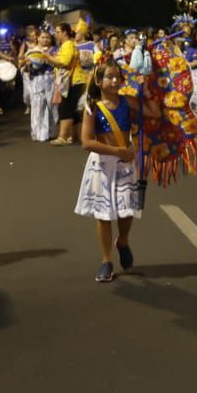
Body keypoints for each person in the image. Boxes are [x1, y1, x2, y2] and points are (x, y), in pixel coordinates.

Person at [75, 61, 159, 283]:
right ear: (98, 81)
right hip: (102, 166)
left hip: (125, 164)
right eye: (109, 77)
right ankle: (106, 260)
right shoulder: (92, 106)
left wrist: (147, 91)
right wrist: (116, 151)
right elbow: (86, 142)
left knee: (127, 209)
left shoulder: (127, 102)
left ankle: (123, 240)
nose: (114, 81)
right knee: (104, 216)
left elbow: (154, 113)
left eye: (117, 77)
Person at [21, 29, 58, 142]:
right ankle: (37, 132)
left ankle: (51, 132)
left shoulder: (56, 50)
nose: (45, 39)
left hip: (51, 79)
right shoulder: (32, 51)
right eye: (43, 37)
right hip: (37, 79)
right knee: (38, 106)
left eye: (48, 37)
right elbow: (23, 68)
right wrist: (27, 65)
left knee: (52, 106)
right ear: (37, 38)